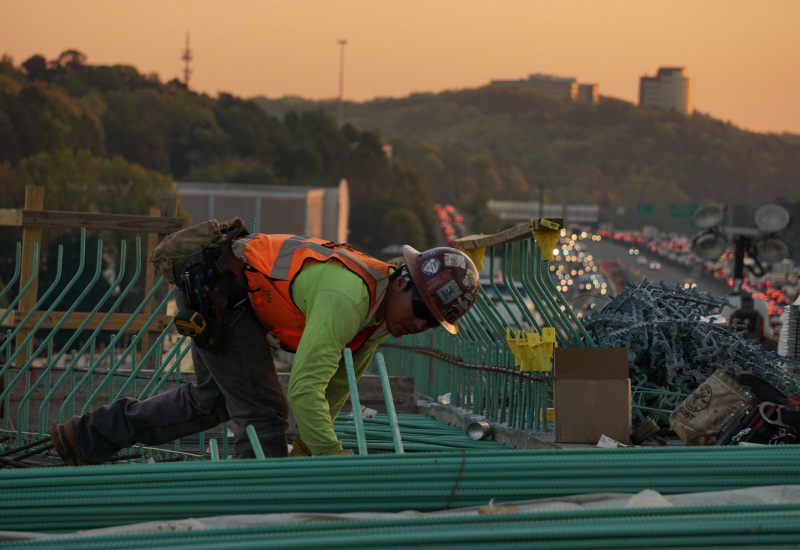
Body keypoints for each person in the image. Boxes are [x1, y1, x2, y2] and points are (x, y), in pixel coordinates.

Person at [49, 231, 480, 465]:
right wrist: (335, 462)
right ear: (404, 279)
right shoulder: (350, 298)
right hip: (223, 292)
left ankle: (87, 436)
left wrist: (307, 453)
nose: (420, 324)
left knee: (210, 403)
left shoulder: (379, 321)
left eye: (433, 323)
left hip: (230, 295)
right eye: (422, 307)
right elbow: (304, 391)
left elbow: (332, 392)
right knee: (263, 415)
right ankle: (258, 516)